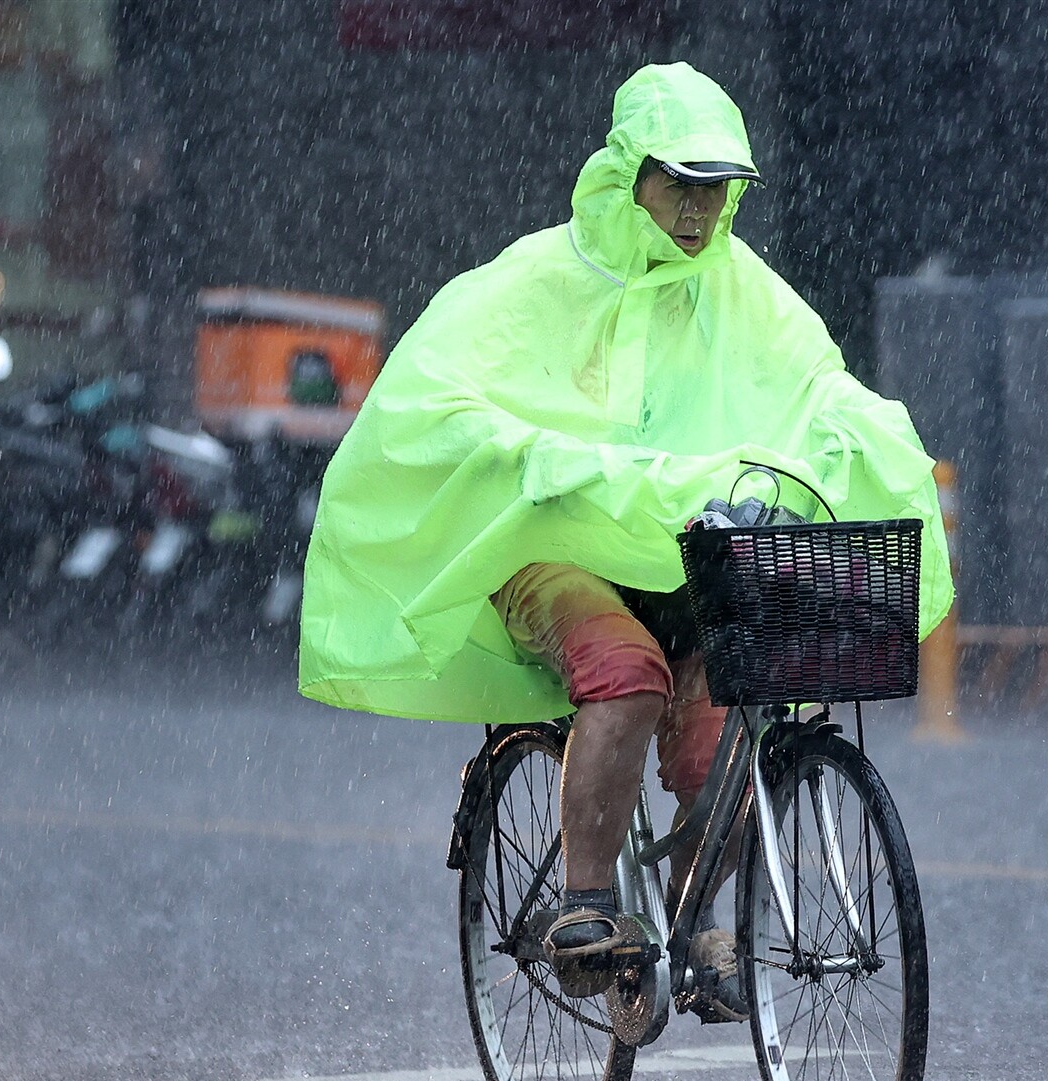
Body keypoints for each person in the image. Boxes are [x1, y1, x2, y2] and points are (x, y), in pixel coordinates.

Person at [299, 62, 953, 1020]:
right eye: (678, 183)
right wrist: (550, 464)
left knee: (727, 710)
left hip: (683, 545)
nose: (697, 210)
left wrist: (867, 442)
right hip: (557, 550)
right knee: (627, 676)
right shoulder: (535, 279)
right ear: (627, 174)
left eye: (715, 187)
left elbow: (819, 384)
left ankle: (698, 911)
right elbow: (432, 401)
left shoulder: (740, 290)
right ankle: (588, 901)